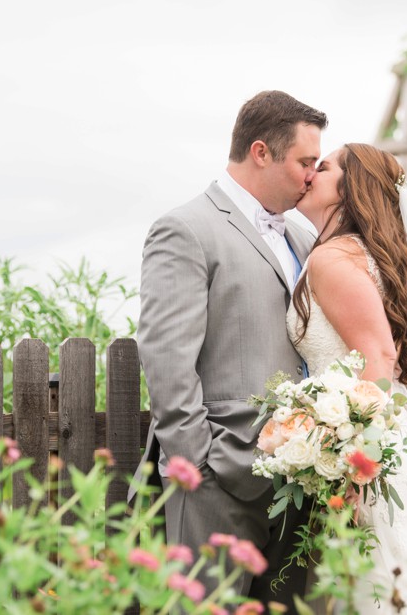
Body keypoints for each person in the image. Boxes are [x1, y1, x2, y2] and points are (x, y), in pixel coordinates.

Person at [129, 90, 328, 609]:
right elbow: (167, 357)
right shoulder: (187, 229)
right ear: (261, 152)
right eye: (305, 162)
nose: (313, 175)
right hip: (216, 481)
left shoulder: (305, 239)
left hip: (295, 484)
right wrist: (202, 464)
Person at [288, 143, 407, 613]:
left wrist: (357, 465)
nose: (311, 173)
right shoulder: (356, 255)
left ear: (347, 192)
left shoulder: (333, 260)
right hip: (388, 449)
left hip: (375, 463)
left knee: (385, 595)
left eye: (324, 167)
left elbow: (377, 356)